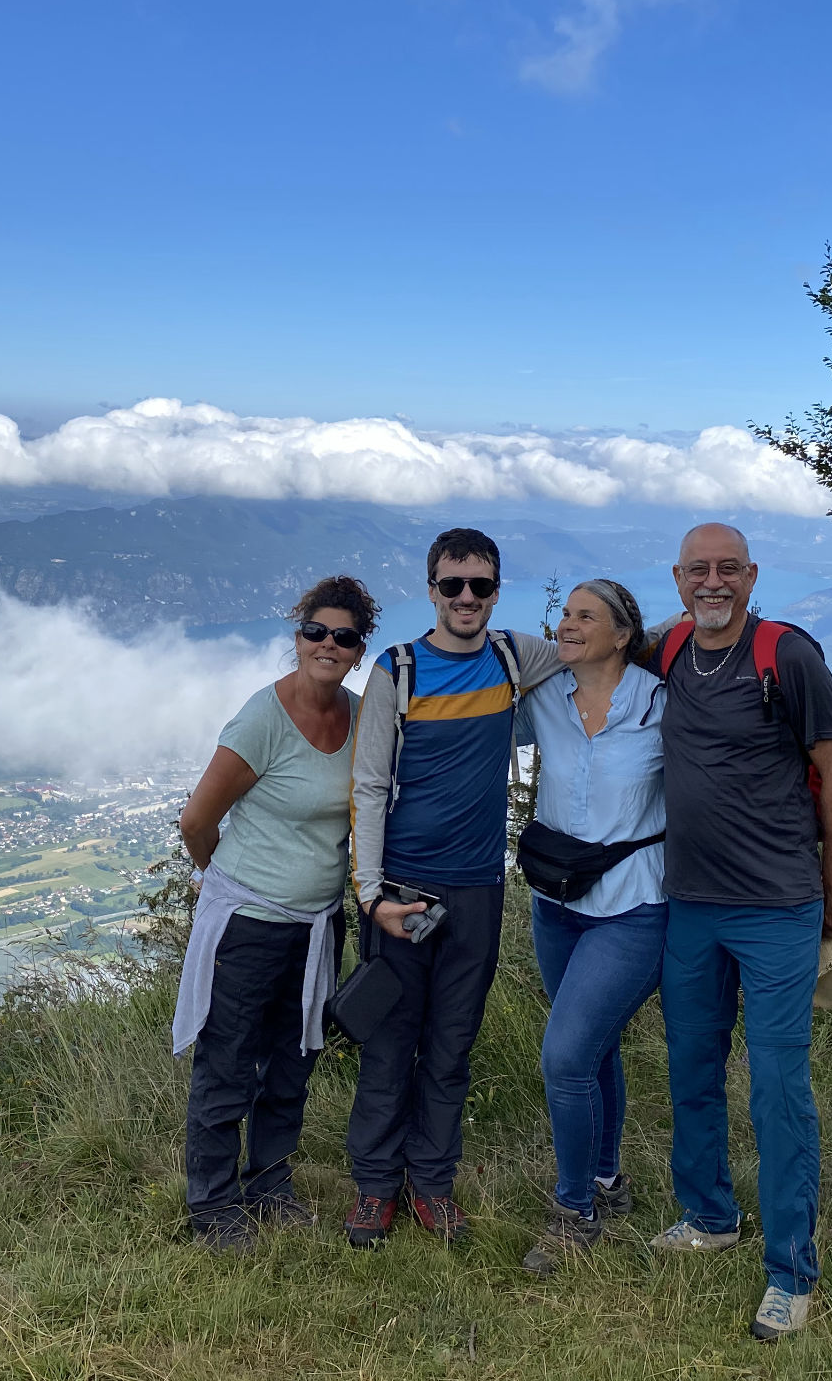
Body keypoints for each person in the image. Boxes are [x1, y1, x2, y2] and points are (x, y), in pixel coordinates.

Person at [649, 523, 832, 1342]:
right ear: (677, 580)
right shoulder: (667, 651)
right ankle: (708, 1216)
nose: (713, 582)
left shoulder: (787, 655)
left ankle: (791, 1272)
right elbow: (593, 651)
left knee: (778, 1090)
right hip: (690, 905)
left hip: (777, 907)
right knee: (692, 1070)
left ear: (751, 575)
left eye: (727, 570)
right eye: (699, 570)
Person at [344, 527, 559, 1247]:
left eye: (481, 585)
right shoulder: (397, 670)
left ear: (497, 590)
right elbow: (369, 783)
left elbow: (597, 650)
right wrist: (372, 897)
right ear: (431, 589)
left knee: (450, 1046)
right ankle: (375, 1187)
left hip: (477, 890)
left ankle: (431, 1184)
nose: (466, 598)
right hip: (403, 888)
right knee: (389, 1043)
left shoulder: (511, 656)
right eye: (452, 585)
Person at [173, 574, 380, 1253]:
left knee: (294, 1062)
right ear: (297, 637)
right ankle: (212, 1204)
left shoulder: (357, 719)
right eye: (315, 631)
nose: (328, 644)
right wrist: (219, 878)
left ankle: (268, 1185)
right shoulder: (263, 717)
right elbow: (198, 819)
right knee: (229, 1062)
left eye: (343, 636)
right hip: (252, 923)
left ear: (357, 649)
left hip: (317, 924)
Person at [512, 580, 668, 1276]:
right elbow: (460, 720)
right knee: (595, 1050)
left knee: (566, 1058)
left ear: (622, 635)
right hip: (558, 903)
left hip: (635, 906)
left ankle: (573, 1211)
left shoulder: (661, 706)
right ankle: (607, 1179)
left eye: (585, 617)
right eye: (565, 614)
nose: (567, 625)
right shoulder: (545, 699)